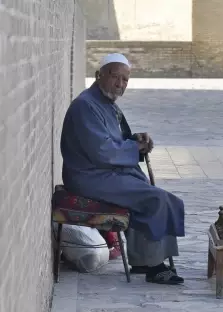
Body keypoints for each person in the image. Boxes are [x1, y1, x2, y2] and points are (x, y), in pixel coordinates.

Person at [60, 53, 185, 285]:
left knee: (150, 193)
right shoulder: (85, 106)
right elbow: (103, 151)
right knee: (155, 199)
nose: (120, 84)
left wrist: (136, 140)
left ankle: (142, 260)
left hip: (103, 172)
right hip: (88, 176)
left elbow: (118, 139)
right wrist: (133, 147)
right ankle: (155, 267)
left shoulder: (105, 104)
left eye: (125, 80)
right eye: (115, 77)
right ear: (99, 76)